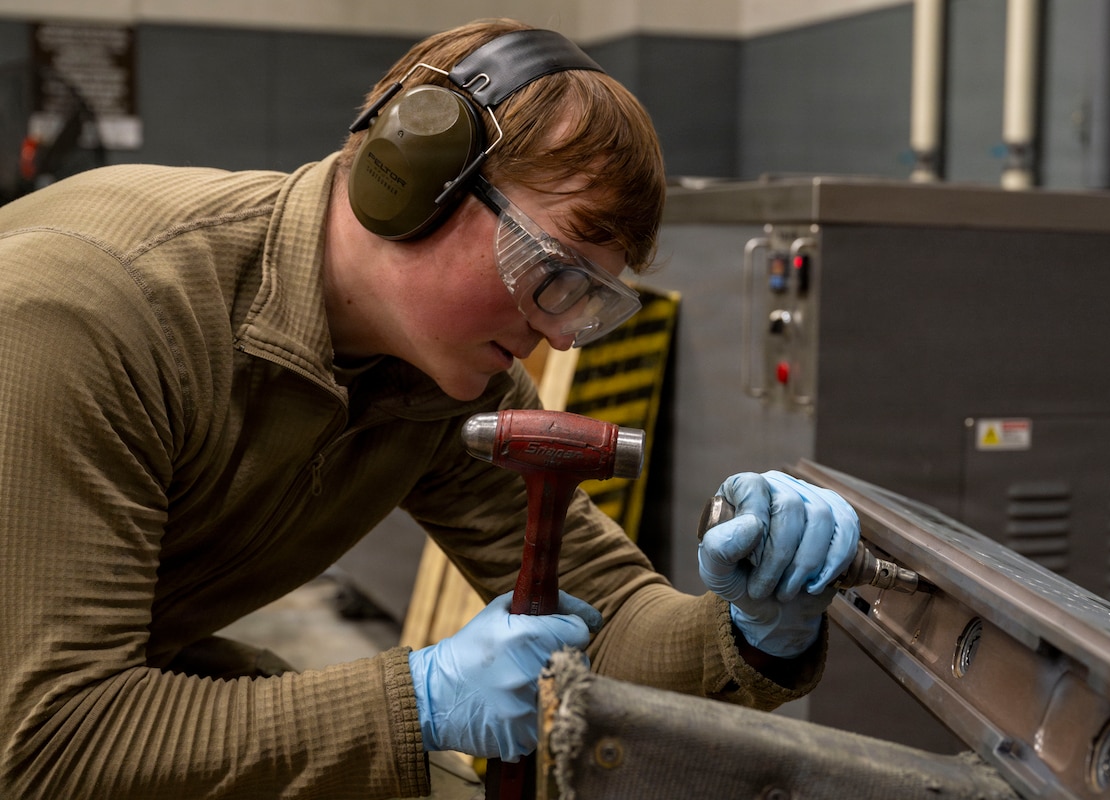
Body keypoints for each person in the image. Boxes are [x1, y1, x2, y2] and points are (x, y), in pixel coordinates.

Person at [0, 18, 860, 799]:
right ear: (412, 179)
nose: (562, 338)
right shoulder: (87, 314)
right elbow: (43, 746)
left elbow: (608, 622)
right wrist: (418, 701)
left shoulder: (439, 386)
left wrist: (754, 628)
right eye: (553, 273)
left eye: (589, 302)